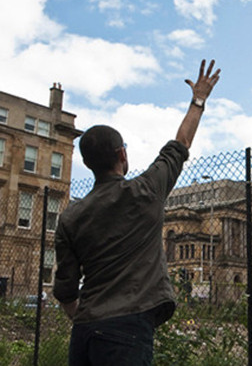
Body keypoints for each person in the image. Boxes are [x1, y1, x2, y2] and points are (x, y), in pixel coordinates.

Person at [53, 59, 221, 366]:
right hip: (127, 330)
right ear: (122, 154)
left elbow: (65, 289)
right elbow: (181, 143)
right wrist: (199, 100)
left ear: (89, 163)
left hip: (85, 331)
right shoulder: (146, 191)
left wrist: (88, 318)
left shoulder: (70, 217)